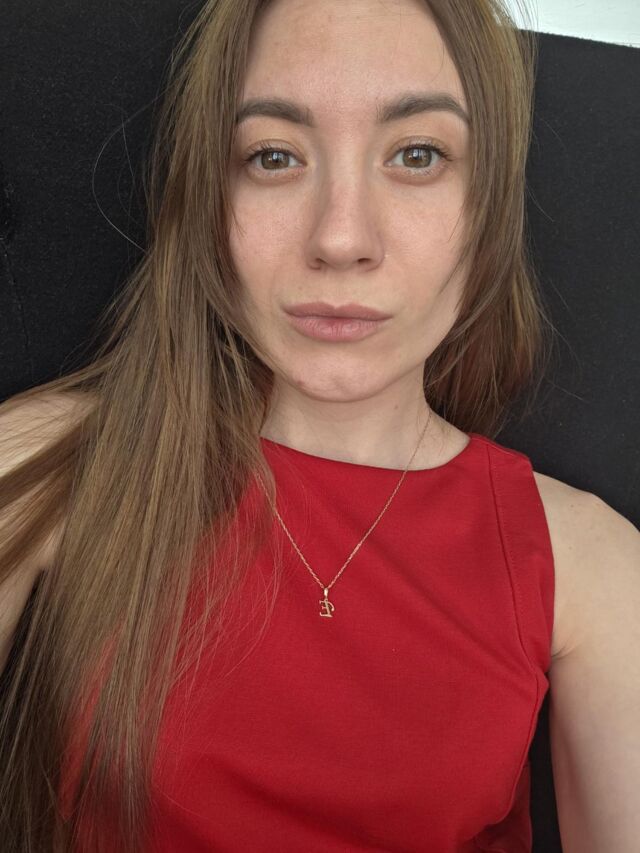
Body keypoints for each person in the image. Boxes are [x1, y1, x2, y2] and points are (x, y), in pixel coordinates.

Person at [0, 0, 638, 850]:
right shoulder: (47, 461)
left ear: (488, 209)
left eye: (417, 155)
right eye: (274, 156)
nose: (340, 238)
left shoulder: (590, 564)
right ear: (208, 199)